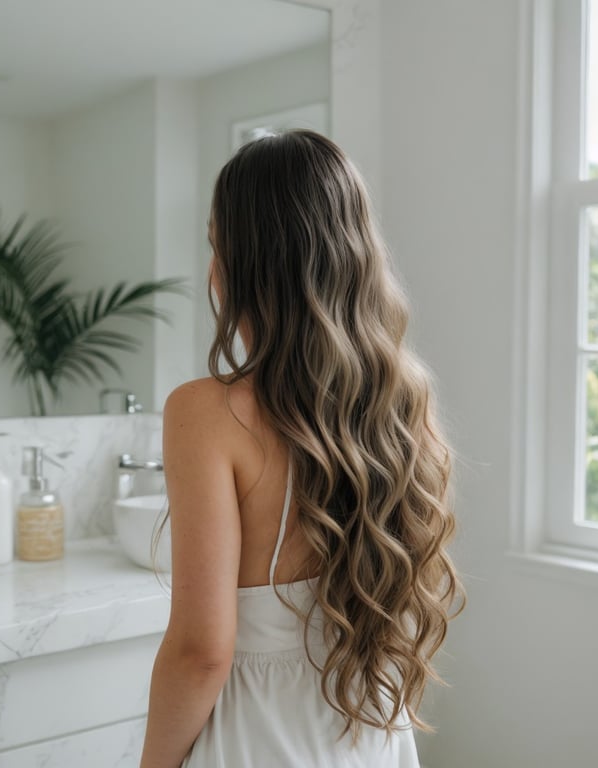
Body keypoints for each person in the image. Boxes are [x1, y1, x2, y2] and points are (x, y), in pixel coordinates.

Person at [139, 130, 463, 768]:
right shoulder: (404, 396)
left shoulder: (206, 412)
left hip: (258, 738)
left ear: (251, 261)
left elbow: (201, 650)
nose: (212, 267)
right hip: (370, 726)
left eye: (217, 245)